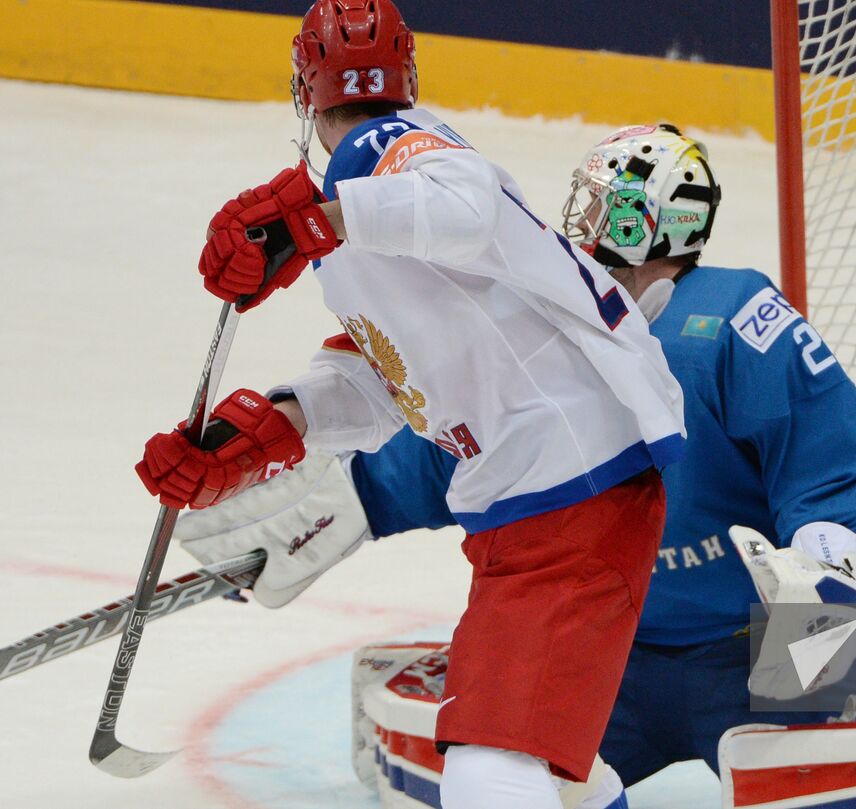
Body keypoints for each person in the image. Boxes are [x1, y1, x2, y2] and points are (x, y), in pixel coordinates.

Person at [173, 123, 856, 795]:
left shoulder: (732, 313)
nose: (579, 218)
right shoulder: (541, 304)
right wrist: (351, 499)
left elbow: (831, 458)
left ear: (647, 219)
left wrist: (828, 561)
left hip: (742, 652)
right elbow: (469, 443)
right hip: (611, 654)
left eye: (602, 204)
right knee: (499, 775)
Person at [135, 2, 686, 808]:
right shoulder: (362, 209)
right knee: (557, 773)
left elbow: (466, 207)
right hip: (541, 493)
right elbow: (391, 378)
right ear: (412, 71)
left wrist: (318, 220)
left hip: (570, 483)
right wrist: (266, 430)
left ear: (302, 90)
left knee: (489, 769)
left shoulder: (385, 150)